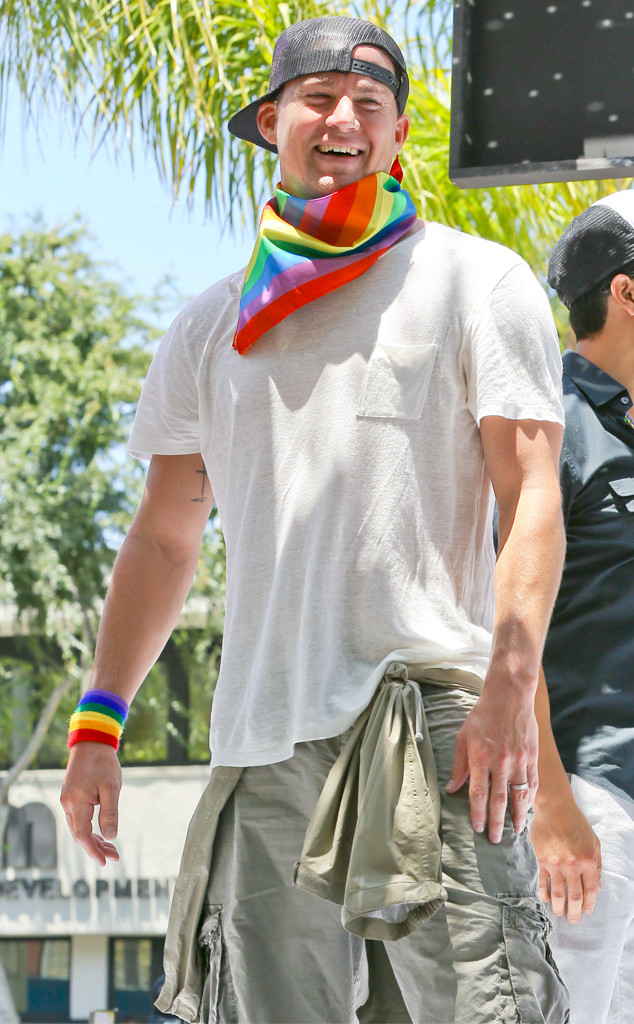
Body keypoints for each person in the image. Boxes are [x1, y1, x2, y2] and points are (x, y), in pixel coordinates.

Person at [61, 15, 569, 1023]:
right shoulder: (210, 325)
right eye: (318, 98)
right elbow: (164, 535)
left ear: (397, 132)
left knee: (490, 1007)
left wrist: (510, 685)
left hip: (428, 713)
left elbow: (532, 494)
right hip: (262, 735)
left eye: (367, 104)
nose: (342, 120)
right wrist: (98, 723)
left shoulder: (475, 281)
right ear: (272, 120)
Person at [530, 190, 634, 1024]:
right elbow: (497, 628)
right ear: (626, 292)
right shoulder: (546, 426)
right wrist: (550, 802)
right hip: (592, 806)